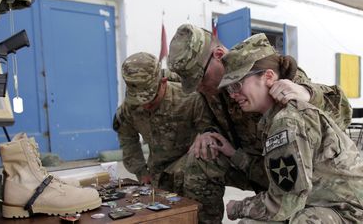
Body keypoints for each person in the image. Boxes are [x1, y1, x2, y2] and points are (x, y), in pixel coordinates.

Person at [167, 24, 352, 223]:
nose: (200, 88)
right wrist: (207, 134)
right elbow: (210, 120)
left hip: (301, 179)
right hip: (256, 166)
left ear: (219, 55)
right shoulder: (211, 91)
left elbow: (340, 114)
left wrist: (307, 93)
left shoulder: (267, 70)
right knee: (198, 162)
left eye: (200, 78)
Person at [217, 33, 363, 223]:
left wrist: (238, 207)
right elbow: (281, 180)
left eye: (237, 85)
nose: (233, 95)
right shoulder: (275, 118)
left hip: (349, 212)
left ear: (268, 76)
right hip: (321, 203)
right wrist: (234, 154)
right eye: (229, 89)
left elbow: (283, 204)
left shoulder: (287, 121)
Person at [113, 52, 214, 192]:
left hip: (194, 172)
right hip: (158, 174)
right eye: (139, 100)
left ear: (163, 82)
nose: (145, 105)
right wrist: (141, 172)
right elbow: (128, 140)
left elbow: (210, 135)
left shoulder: (190, 99)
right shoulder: (128, 109)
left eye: (151, 98)